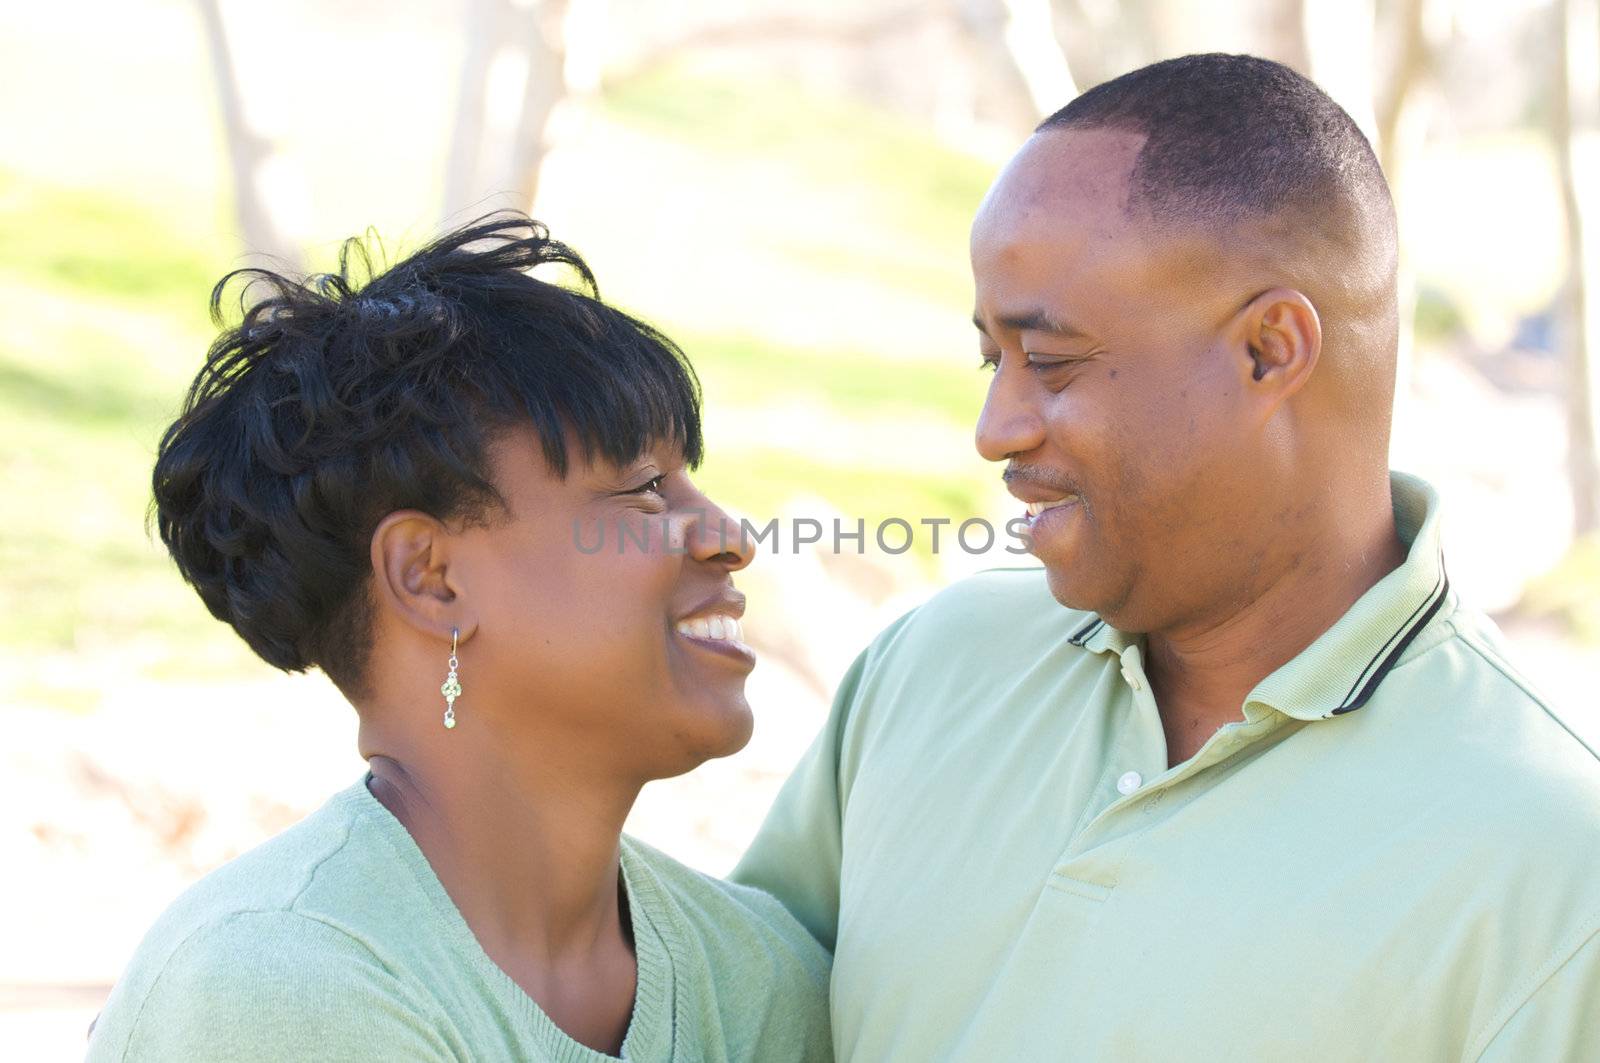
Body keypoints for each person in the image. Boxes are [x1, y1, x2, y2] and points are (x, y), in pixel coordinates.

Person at [734, 53, 1600, 1061]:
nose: (994, 427)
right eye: (991, 359)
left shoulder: (1552, 874)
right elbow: (717, 1008)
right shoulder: (930, 664)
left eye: (1049, 361)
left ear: (1269, 350)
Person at [87, 216, 831, 1061]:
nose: (729, 534)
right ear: (430, 576)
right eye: (644, 489)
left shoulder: (763, 977)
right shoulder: (275, 985)